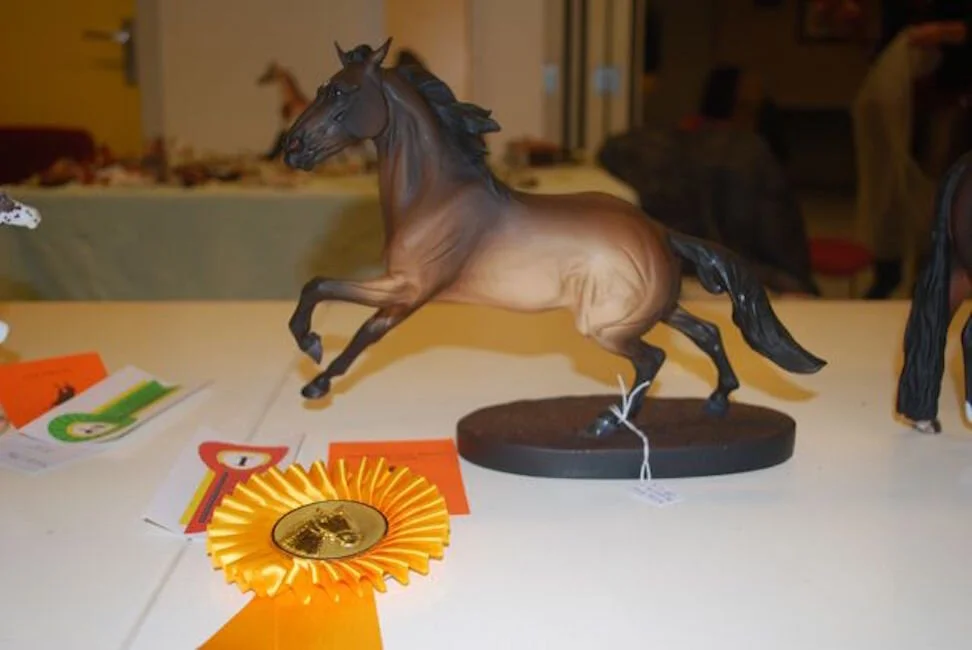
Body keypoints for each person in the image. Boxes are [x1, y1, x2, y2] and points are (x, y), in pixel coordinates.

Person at [853, 0, 972, 299]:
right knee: (891, 188)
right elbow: (881, 46)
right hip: (909, 104)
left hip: (951, 103)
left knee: (944, 191)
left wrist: (944, 32)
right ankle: (889, 272)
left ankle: (932, 279)